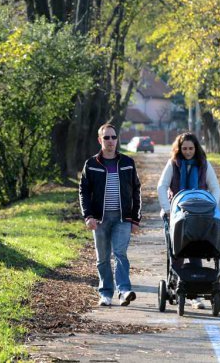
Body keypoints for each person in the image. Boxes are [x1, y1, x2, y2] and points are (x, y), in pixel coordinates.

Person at [79, 123, 142, 306]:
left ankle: (124, 291)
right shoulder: (91, 164)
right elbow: (83, 191)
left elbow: (137, 190)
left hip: (123, 218)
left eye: (113, 137)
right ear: (100, 140)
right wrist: (88, 216)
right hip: (100, 218)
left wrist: (135, 219)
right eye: (106, 137)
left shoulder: (128, 163)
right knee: (103, 257)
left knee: (120, 253)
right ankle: (106, 293)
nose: (110, 141)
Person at [157, 132, 220, 309]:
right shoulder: (173, 165)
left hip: (200, 213)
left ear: (196, 148)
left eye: (191, 148)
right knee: (177, 250)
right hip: (176, 213)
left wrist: (213, 207)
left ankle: (195, 294)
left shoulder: (204, 165)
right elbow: (162, 186)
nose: (187, 152)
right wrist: (167, 209)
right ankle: (177, 284)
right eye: (184, 148)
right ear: (179, 149)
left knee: (196, 248)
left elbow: (215, 188)